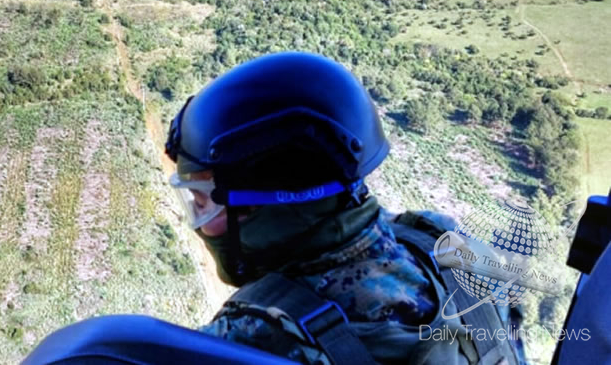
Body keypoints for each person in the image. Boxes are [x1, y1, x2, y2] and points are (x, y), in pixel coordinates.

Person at [164, 52, 523, 365]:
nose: (200, 224)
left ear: (262, 209)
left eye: (202, 202)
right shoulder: (449, 247)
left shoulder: (251, 338)